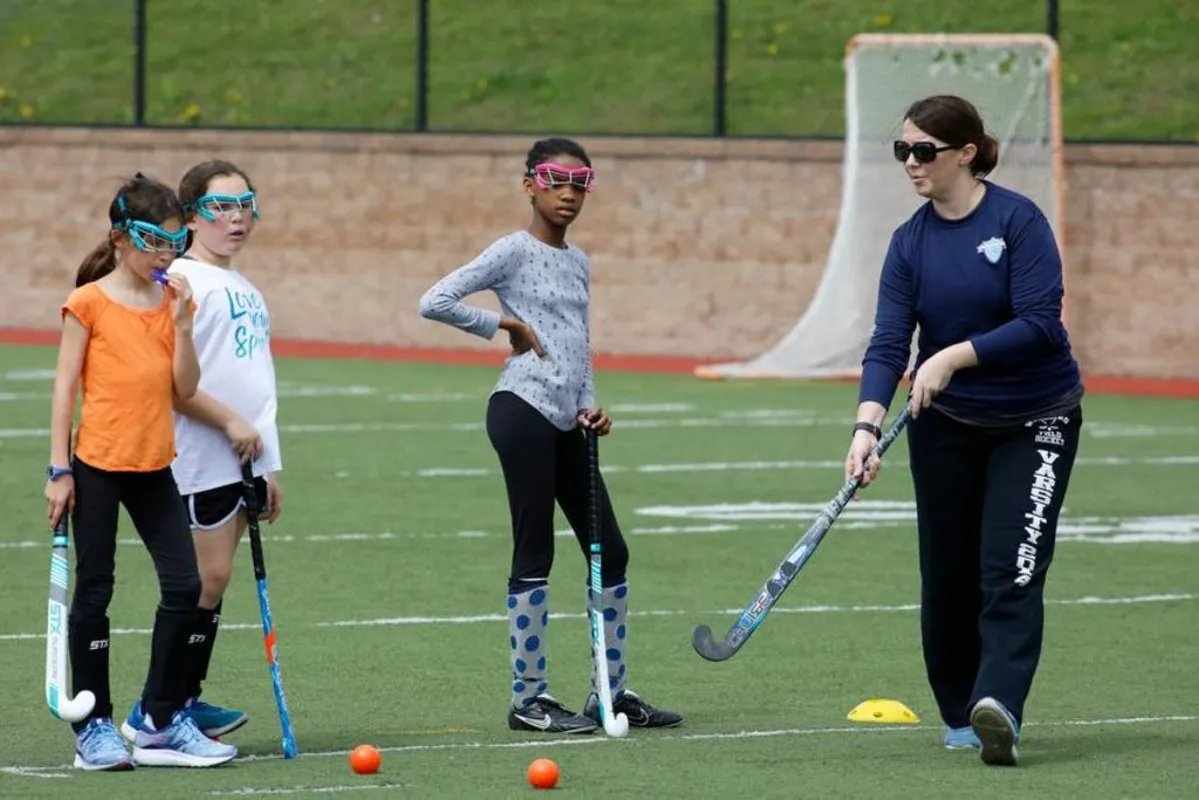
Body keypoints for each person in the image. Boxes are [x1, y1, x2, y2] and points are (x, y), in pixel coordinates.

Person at [844, 94, 1084, 767]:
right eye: (902, 151)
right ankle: (958, 708)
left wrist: (950, 355)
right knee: (946, 574)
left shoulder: (1017, 221)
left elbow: (1040, 321)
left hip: (1035, 418)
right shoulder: (909, 242)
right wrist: (864, 427)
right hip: (944, 425)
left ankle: (998, 704)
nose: (910, 164)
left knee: (1009, 566)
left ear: (965, 153)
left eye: (923, 151)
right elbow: (889, 341)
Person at [418, 137, 683, 734]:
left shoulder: (580, 261)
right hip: (521, 409)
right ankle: (528, 699)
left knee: (609, 552)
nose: (567, 192)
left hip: (567, 419)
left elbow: (578, 345)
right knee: (536, 549)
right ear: (529, 184)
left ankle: (608, 694)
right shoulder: (512, 250)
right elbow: (433, 301)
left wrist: (590, 406)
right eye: (553, 179)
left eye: (579, 182)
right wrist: (501, 324)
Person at [44, 173, 237, 770]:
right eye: (157, 242)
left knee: (185, 586)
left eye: (175, 244)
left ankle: (156, 719)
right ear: (122, 238)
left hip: (156, 465)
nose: (166, 255)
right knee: (96, 591)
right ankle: (94, 727)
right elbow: (63, 388)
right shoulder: (89, 303)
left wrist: (181, 326)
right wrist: (59, 469)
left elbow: (185, 388)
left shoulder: (171, 302)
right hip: (97, 465)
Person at [117, 159, 282, 744]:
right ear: (189, 218)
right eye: (218, 208)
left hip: (239, 458)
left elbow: (255, 382)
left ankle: (182, 698)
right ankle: (154, 714)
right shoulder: (181, 281)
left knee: (215, 580)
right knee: (202, 581)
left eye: (244, 205)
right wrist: (230, 422)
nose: (235, 218)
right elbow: (170, 379)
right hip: (196, 456)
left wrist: (268, 466)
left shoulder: (244, 287)